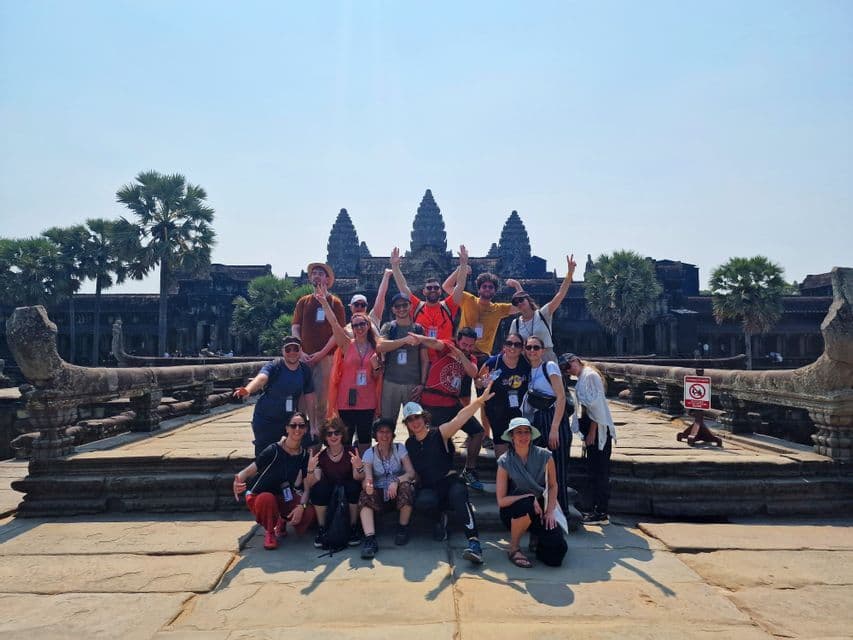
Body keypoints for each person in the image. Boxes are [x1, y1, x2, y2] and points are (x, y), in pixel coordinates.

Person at [403, 382, 495, 565]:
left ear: (424, 417)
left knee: (458, 494)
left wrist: (478, 402)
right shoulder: (409, 444)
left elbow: (459, 419)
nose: (415, 422)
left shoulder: (439, 433)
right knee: (422, 502)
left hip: (449, 482)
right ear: (407, 424)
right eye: (410, 419)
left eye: (417, 417)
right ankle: (441, 517)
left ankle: (474, 543)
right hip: (430, 487)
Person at [413, 327, 486, 490]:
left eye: (470, 345)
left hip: (453, 404)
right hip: (433, 403)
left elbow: (473, 372)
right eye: (464, 344)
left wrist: (461, 354)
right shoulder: (448, 347)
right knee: (435, 441)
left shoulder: (470, 357)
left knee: (478, 432)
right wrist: (419, 338)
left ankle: (469, 470)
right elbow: (435, 343)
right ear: (458, 340)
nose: (467, 348)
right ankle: (428, 476)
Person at [232, 414, 317, 550]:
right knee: (267, 498)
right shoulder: (274, 450)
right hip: (259, 496)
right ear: (287, 428)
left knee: (308, 513)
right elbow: (248, 471)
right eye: (293, 425)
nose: (297, 429)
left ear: (305, 429)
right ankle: (270, 531)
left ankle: (282, 519)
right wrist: (238, 481)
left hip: (284, 495)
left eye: (301, 426)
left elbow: (307, 488)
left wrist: (302, 506)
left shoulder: (304, 456)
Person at [316, 284, 381, 453]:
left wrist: (376, 367)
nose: (359, 328)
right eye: (355, 325)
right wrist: (324, 303)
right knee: (345, 438)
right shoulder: (346, 344)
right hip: (346, 399)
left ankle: (363, 468)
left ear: (368, 325)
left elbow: (377, 375)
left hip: (367, 400)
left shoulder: (376, 347)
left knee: (365, 438)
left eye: (362, 324)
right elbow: (334, 323)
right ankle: (346, 467)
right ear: (352, 328)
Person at [496, 417, 567, 568]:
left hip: (540, 508)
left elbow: (553, 485)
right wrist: (528, 497)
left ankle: (538, 541)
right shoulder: (505, 461)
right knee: (527, 503)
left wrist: (550, 511)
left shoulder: (545, 455)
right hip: (515, 510)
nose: (523, 436)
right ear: (511, 436)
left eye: (526, 432)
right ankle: (514, 548)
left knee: (556, 555)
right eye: (519, 432)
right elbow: (501, 501)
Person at [233, 336, 316, 456]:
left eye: (295, 349)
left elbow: (310, 398)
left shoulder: (304, 370)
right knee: (265, 454)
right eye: (288, 350)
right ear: (282, 351)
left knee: (305, 443)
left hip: (288, 418)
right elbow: (261, 378)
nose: (292, 352)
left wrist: (313, 425)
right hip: (266, 417)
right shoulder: (275, 365)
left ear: (301, 350)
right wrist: (248, 390)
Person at [522, 335, 573, 516]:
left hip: (554, 418)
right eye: (529, 347)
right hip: (538, 419)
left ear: (542, 351)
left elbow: (561, 397)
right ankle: (546, 511)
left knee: (557, 469)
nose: (532, 351)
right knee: (541, 469)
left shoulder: (549, 366)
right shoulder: (529, 371)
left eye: (536, 347)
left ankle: (561, 513)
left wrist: (554, 429)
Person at [564, 353, 616, 525]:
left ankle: (601, 513)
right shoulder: (584, 376)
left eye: (569, 365)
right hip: (592, 427)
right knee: (594, 470)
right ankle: (596, 509)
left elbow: (596, 406)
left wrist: (592, 432)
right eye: (565, 369)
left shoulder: (590, 375)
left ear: (576, 361)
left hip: (598, 429)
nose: (568, 370)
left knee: (600, 471)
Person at [292, 262, 346, 425]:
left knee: (322, 401)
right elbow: (295, 327)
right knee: (301, 400)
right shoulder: (303, 302)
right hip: (303, 357)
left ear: (327, 279)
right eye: (314, 273)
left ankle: (319, 434)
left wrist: (321, 353)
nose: (316, 276)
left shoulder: (335, 302)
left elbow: (338, 332)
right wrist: (300, 351)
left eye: (320, 274)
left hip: (326, 358)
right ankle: (301, 434)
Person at [358, 418, 416, 559]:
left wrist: (397, 481)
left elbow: (411, 473)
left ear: (392, 434)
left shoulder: (399, 448)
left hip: (396, 492)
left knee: (406, 487)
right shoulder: (369, 453)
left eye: (388, 432)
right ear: (375, 435)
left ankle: (402, 528)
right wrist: (368, 485)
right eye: (381, 432)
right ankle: (370, 539)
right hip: (379, 493)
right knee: (365, 494)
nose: (384, 435)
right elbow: (368, 478)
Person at [309, 268, 394, 360]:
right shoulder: (346, 329)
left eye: (363, 305)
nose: (359, 307)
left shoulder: (373, 319)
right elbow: (334, 323)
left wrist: (386, 276)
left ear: (366, 307)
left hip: (375, 363)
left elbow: (381, 295)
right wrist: (325, 303)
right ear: (351, 307)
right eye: (356, 304)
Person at [508, 254, 577, 363]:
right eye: (516, 303)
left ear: (528, 300)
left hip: (546, 358)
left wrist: (569, 273)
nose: (519, 303)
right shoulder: (515, 323)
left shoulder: (542, 314)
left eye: (521, 300)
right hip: (526, 361)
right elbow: (511, 344)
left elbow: (560, 295)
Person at [308, 418, 364, 548]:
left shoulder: (351, 451)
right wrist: (310, 469)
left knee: (354, 487)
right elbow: (312, 482)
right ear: (325, 437)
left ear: (342, 434)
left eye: (337, 432)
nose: (333, 436)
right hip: (331, 491)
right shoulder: (321, 456)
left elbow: (359, 477)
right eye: (329, 434)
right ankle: (322, 528)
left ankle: (353, 527)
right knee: (318, 489)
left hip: (347, 489)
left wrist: (359, 466)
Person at [390, 245, 467, 341]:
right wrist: (395, 267)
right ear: (424, 291)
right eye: (429, 288)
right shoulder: (416, 306)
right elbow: (403, 287)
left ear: (440, 291)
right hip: (422, 350)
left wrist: (463, 264)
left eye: (436, 288)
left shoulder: (448, 306)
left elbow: (460, 286)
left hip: (445, 350)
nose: (433, 290)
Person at [477, 332, 531, 460]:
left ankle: (517, 471)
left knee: (519, 442)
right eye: (509, 343)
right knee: (500, 441)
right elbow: (478, 381)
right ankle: (503, 470)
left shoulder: (526, 363)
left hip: (519, 410)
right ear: (504, 346)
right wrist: (483, 382)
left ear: (522, 348)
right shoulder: (493, 362)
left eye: (517, 345)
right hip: (497, 410)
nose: (513, 347)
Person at [376, 292, 428, 422]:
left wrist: (422, 384)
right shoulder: (389, 327)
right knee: (387, 422)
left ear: (410, 306)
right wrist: (404, 340)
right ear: (393, 309)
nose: (401, 309)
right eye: (397, 306)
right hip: (390, 382)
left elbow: (424, 359)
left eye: (404, 305)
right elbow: (380, 346)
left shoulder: (418, 329)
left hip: (412, 384)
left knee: (415, 423)